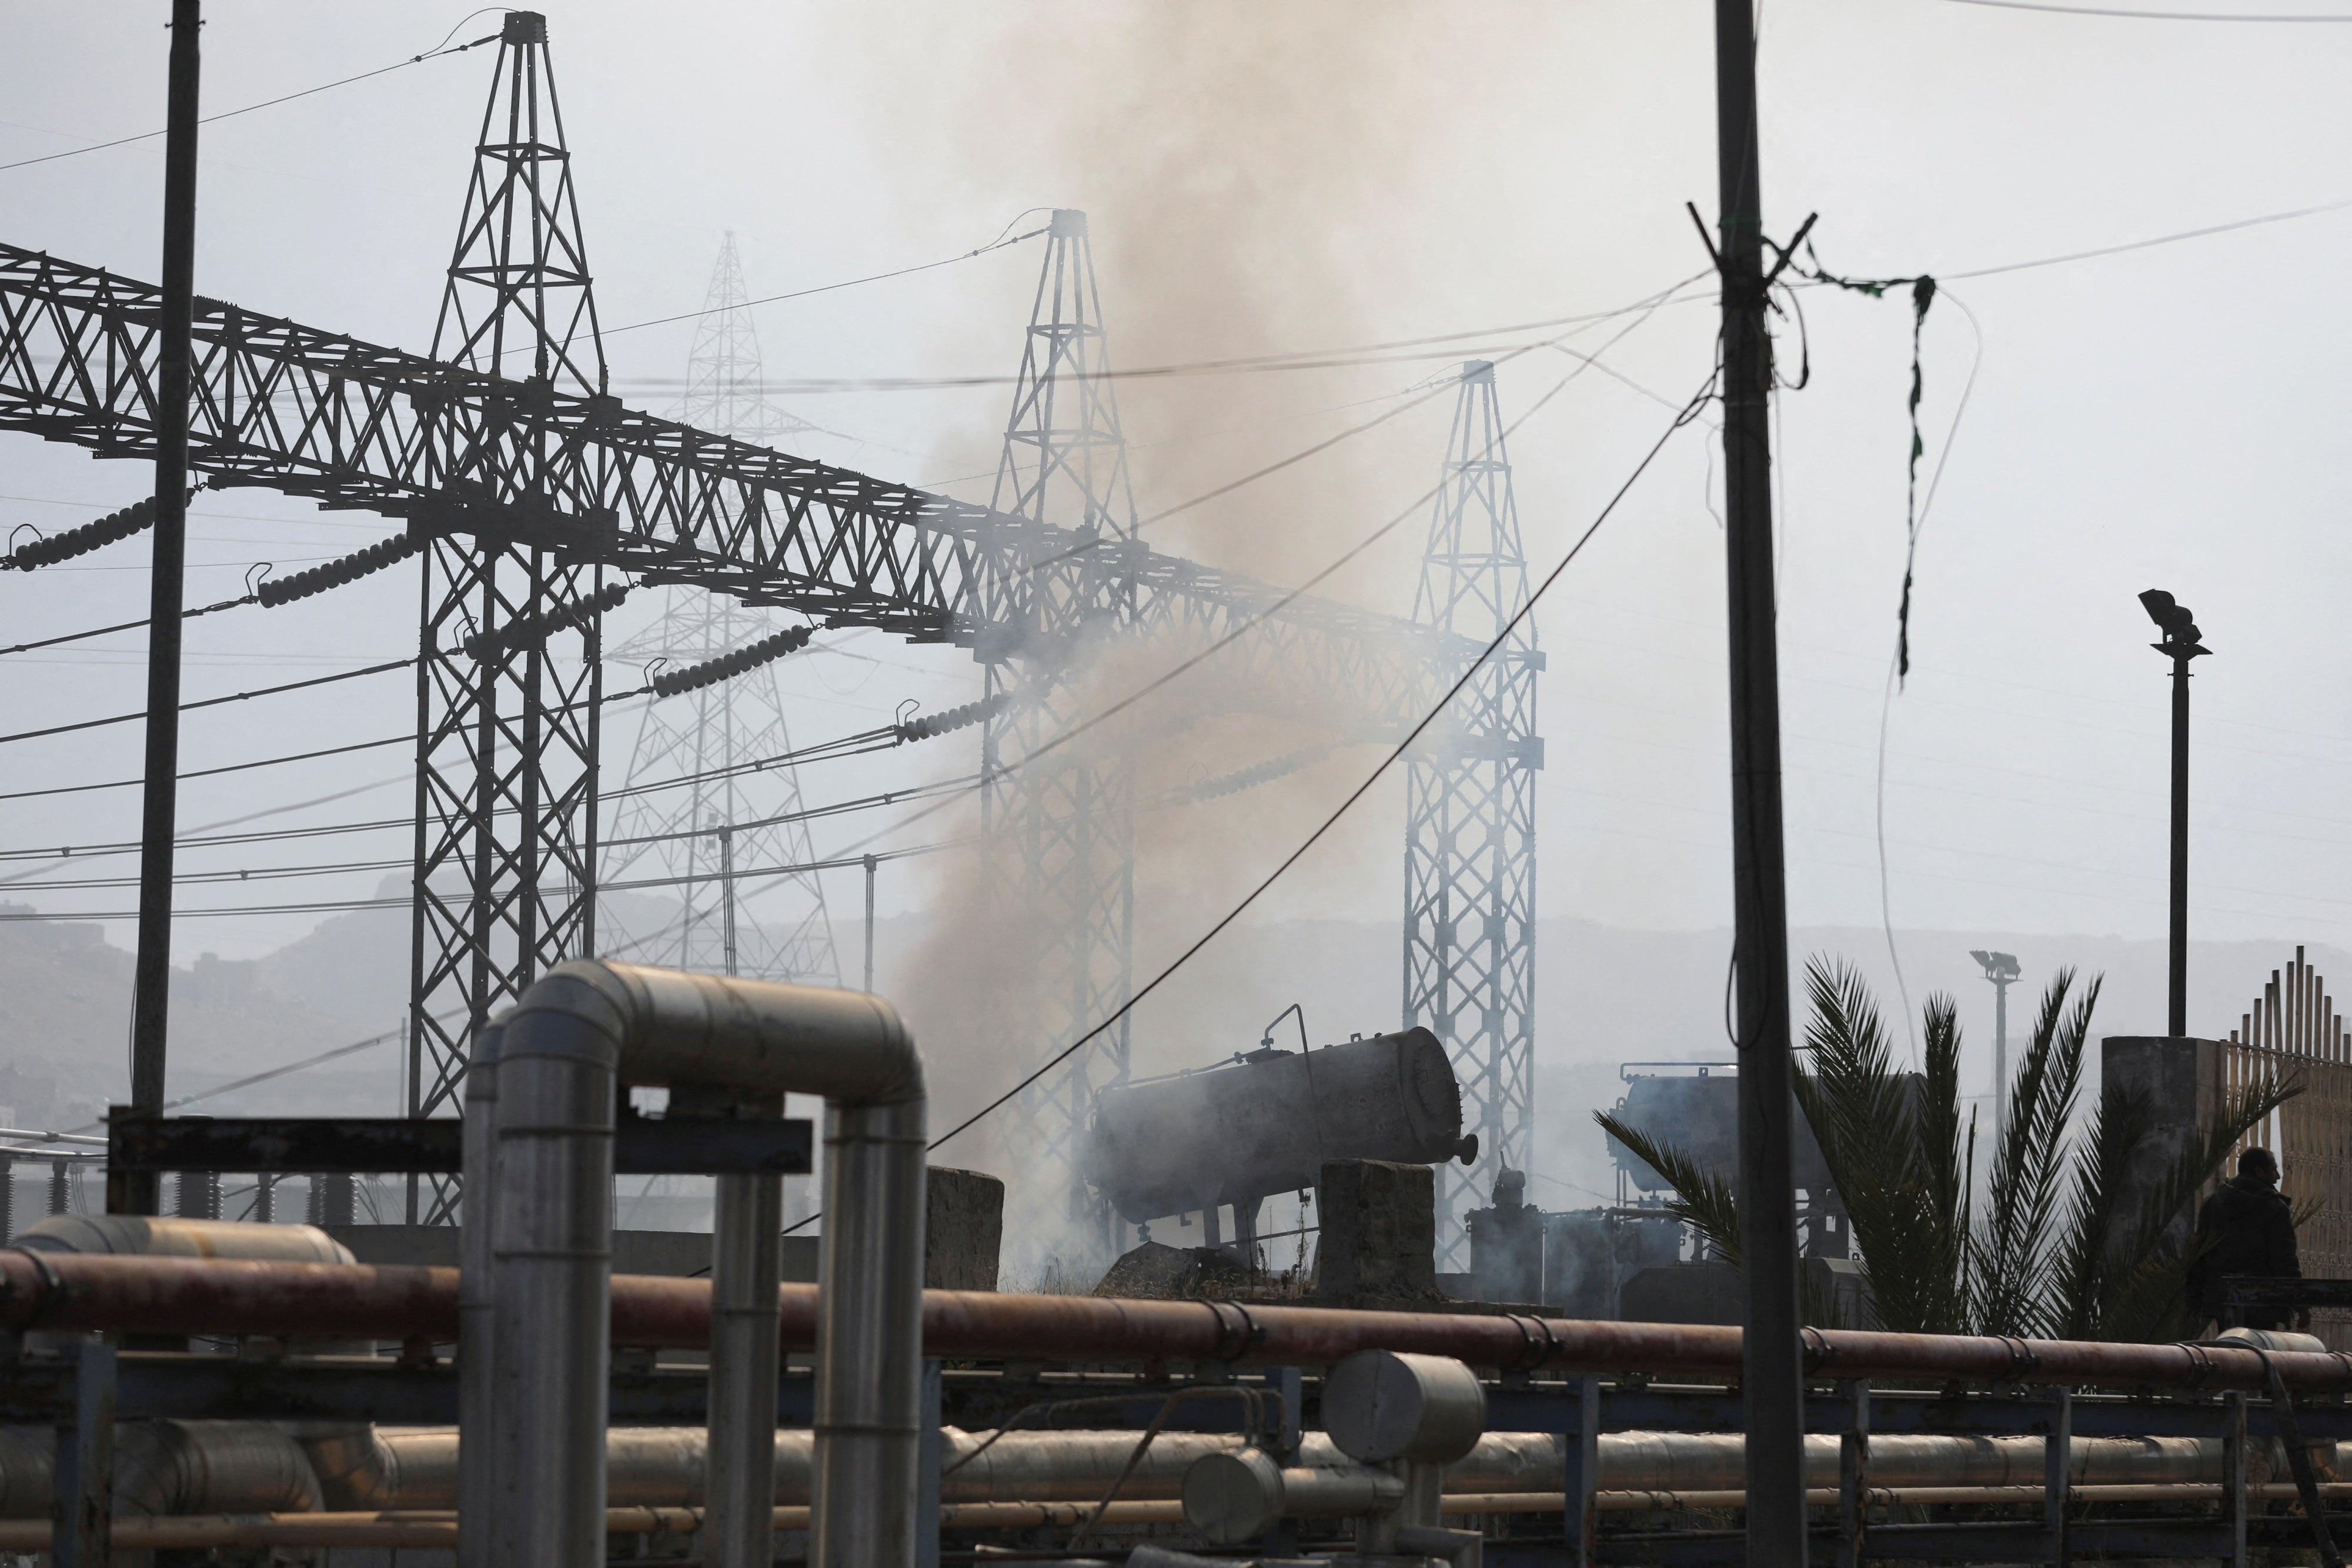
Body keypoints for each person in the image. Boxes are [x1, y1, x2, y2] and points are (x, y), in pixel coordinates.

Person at [2186, 1145, 2301, 1333]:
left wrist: (2193, 1302)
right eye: (2274, 1170)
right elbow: (2284, 1259)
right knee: (2259, 1355)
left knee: (2231, 1350)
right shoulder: (2274, 1208)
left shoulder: (2212, 1204)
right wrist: (2300, 1305)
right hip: (2263, 1299)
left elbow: (2199, 1256)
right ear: (2259, 1172)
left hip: (2222, 1297)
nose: (2278, 1177)